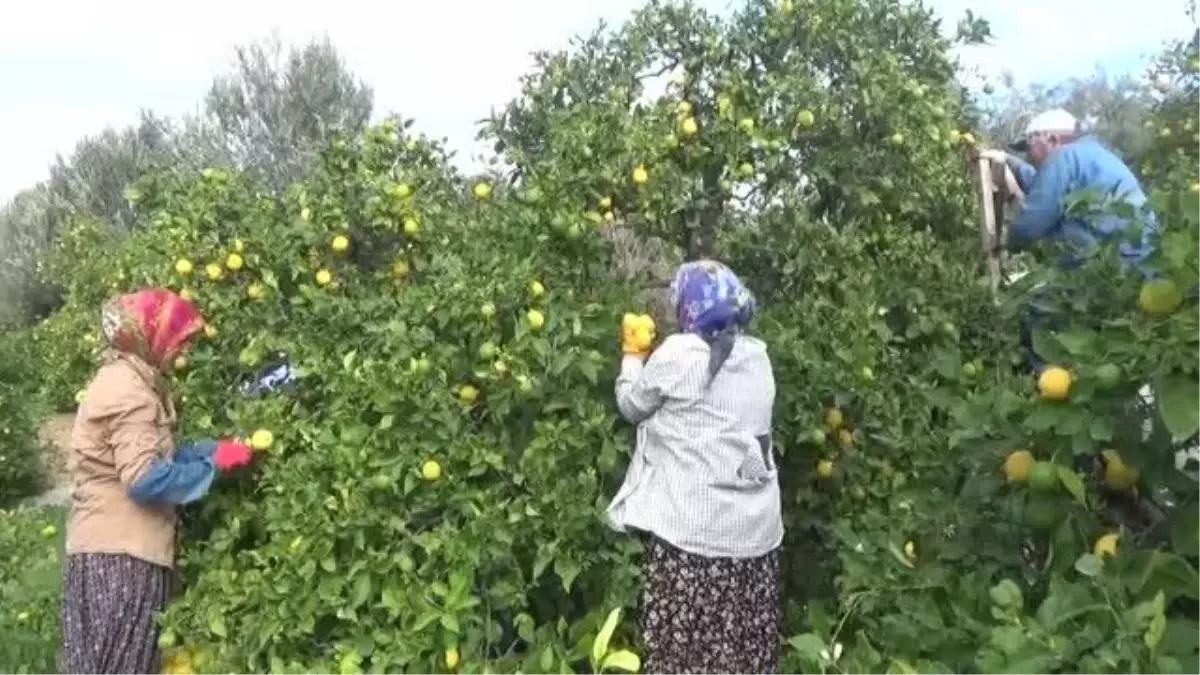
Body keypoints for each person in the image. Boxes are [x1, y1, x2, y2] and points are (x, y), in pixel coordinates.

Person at [62, 289, 252, 675]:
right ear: (154, 335)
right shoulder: (129, 392)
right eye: (177, 341)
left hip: (106, 550)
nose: (180, 353)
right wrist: (211, 469)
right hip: (121, 560)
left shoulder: (128, 380)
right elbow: (145, 478)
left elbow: (151, 456)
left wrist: (215, 452)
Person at [606, 260, 782, 674]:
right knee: (743, 658)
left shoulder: (681, 354)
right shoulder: (759, 358)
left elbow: (633, 406)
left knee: (681, 658)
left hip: (694, 543)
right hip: (754, 544)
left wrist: (633, 355)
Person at [979, 108, 1158, 373]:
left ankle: (1050, 389)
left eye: (1029, 147)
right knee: (1119, 342)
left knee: (1039, 310)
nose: (1030, 155)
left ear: (1051, 140)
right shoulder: (1093, 156)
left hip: (1108, 265)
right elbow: (1045, 186)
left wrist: (1004, 240)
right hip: (1145, 265)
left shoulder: (1063, 157)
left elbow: (1034, 219)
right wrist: (1009, 161)